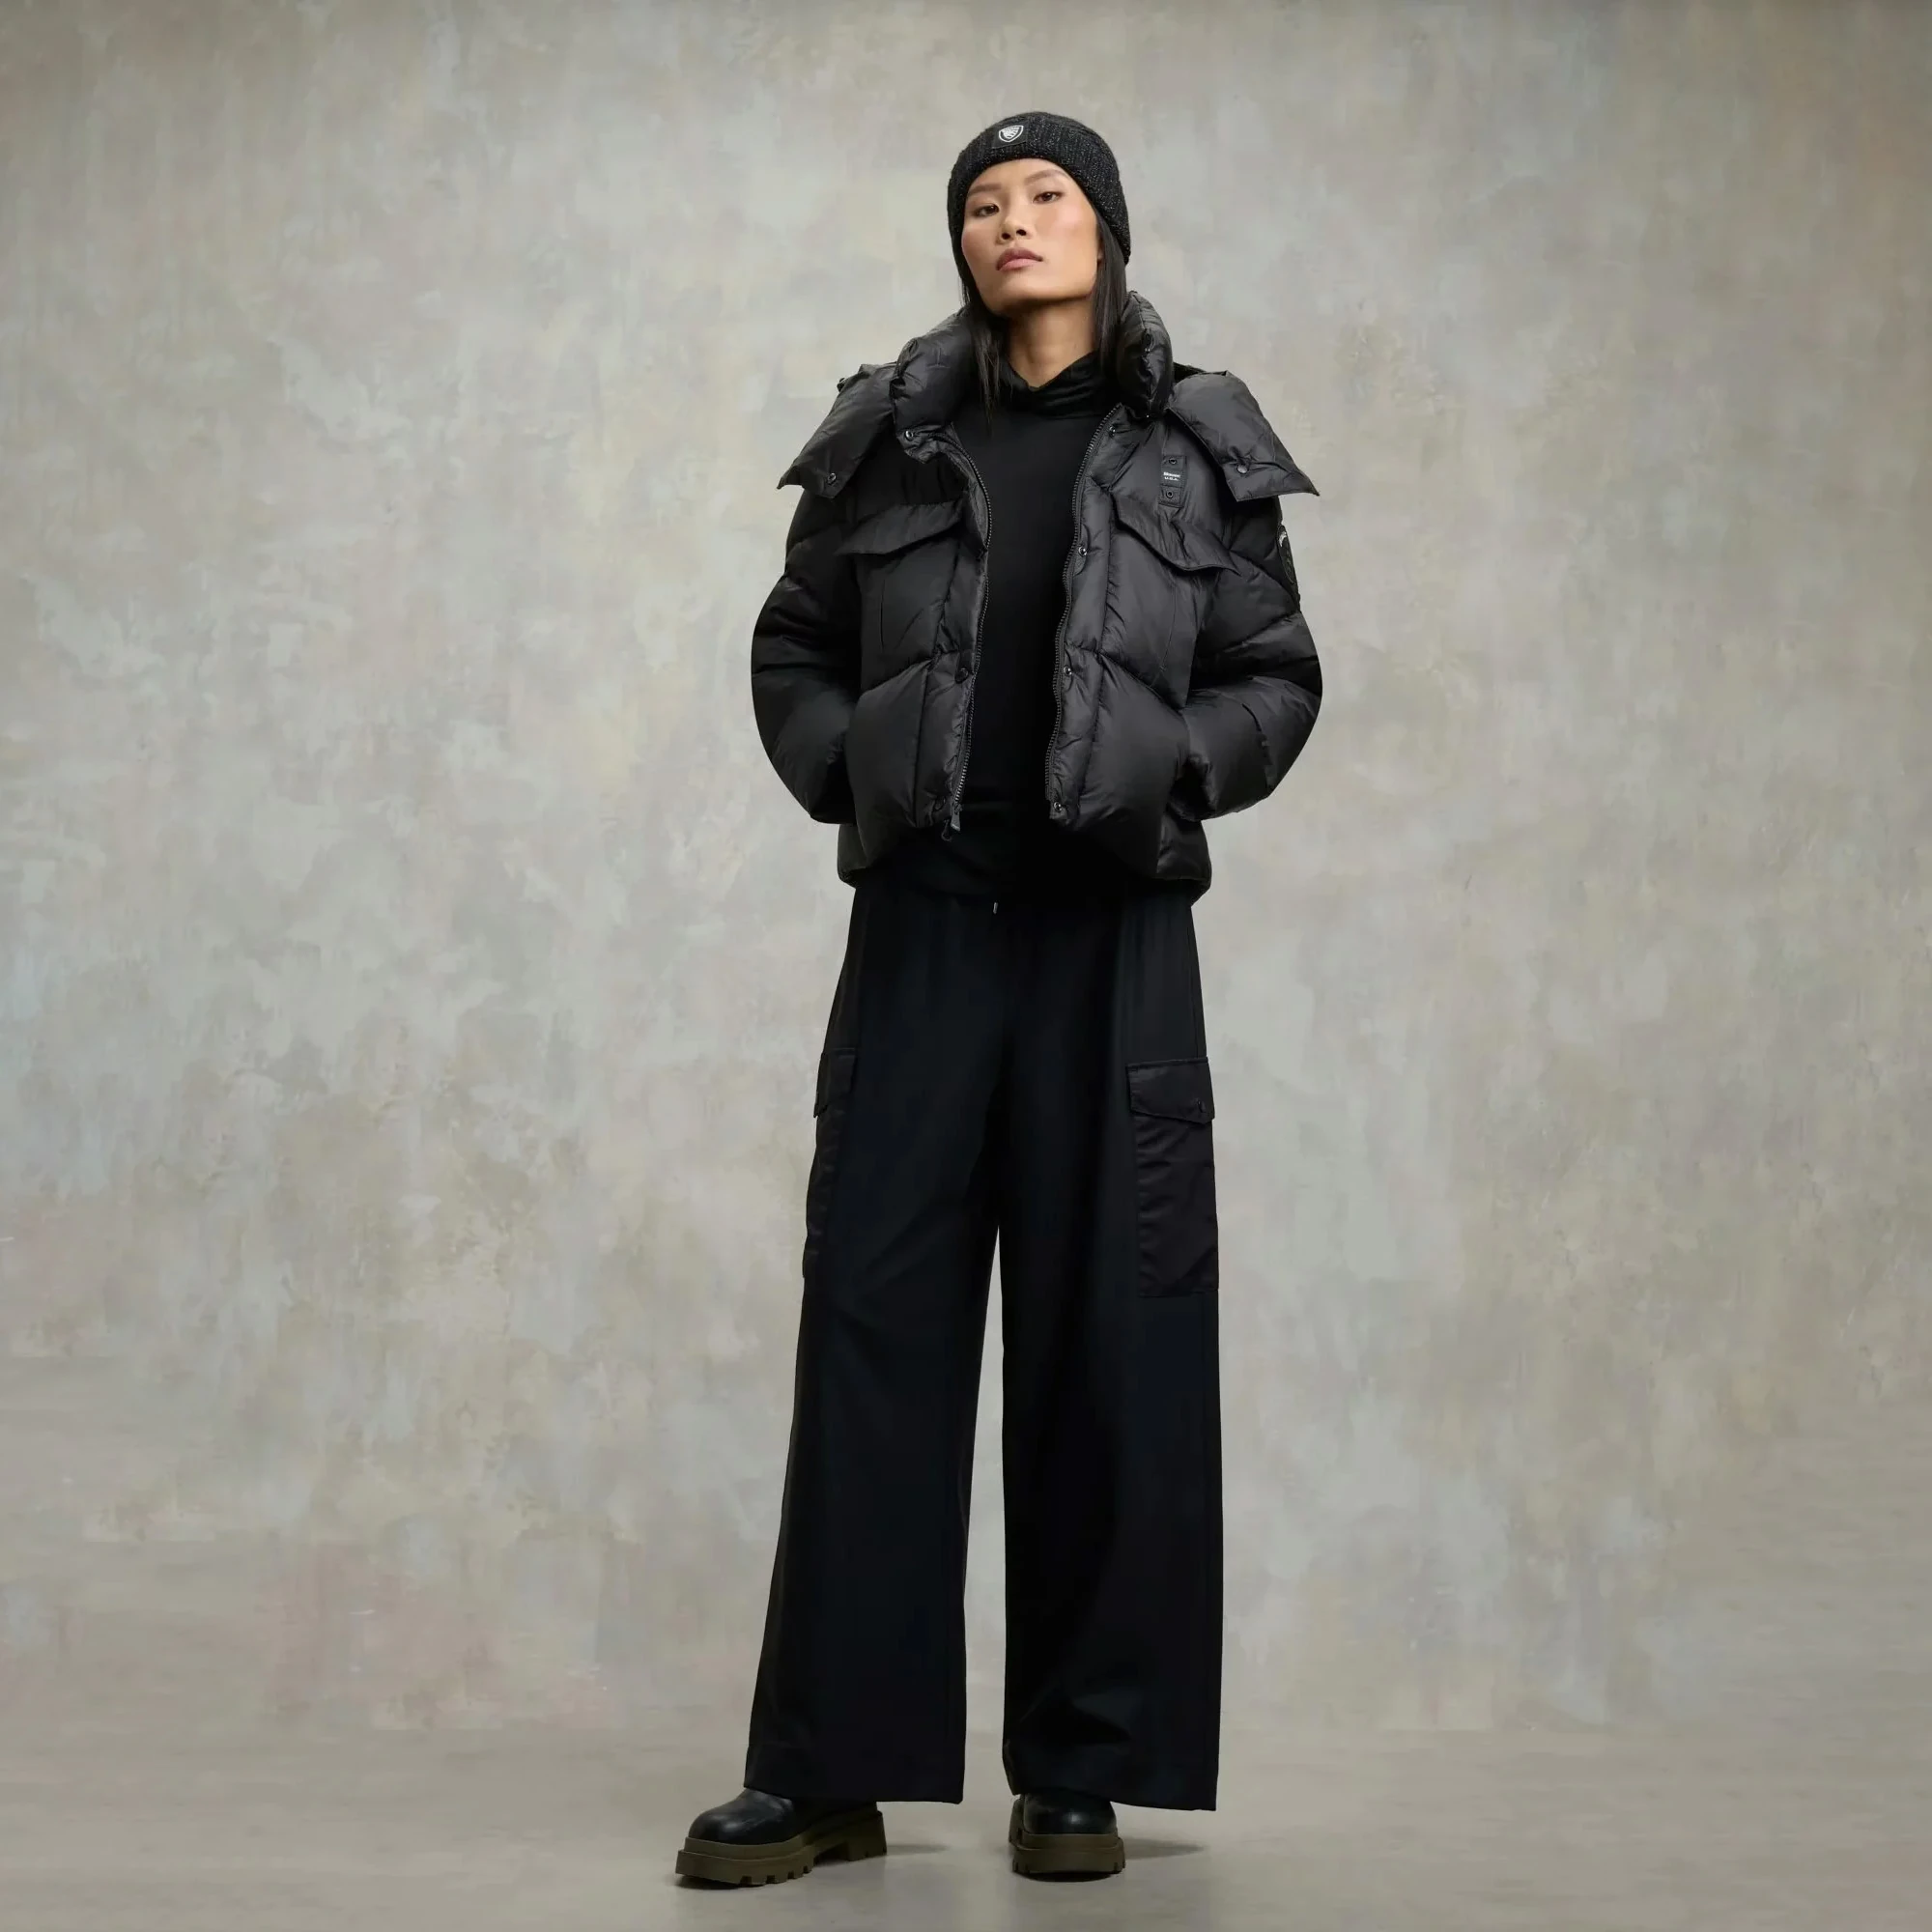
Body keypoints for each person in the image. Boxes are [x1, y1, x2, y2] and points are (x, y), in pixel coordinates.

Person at [674, 109, 1321, 1888]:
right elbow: (794, 644)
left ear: (1106, 228)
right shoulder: (889, 437)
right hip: (926, 931)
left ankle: (1078, 1770)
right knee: (872, 1328)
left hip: (1112, 940)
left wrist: (1175, 770)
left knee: (1108, 1337)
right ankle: (827, 1771)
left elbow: (1276, 672)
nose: (1011, 220)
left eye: (1045, 195)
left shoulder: (1194, 445)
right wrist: (853, 773)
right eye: (981, 200)